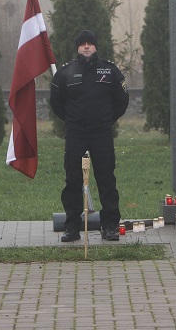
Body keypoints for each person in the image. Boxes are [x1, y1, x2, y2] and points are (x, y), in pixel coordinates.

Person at [50, 29, 129, 243]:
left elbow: (122, 100)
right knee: (73, 179)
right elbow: (56, 102)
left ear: (96, 47)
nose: (86, 46)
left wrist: (106, 119)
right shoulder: (66, 72)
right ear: (77, 47)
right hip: (76, 134)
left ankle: (110, 225)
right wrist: (72, 120)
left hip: (101, 134)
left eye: (90, 43)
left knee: (106, 178)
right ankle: (72, 226)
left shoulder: (110, 71)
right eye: (83, 43)